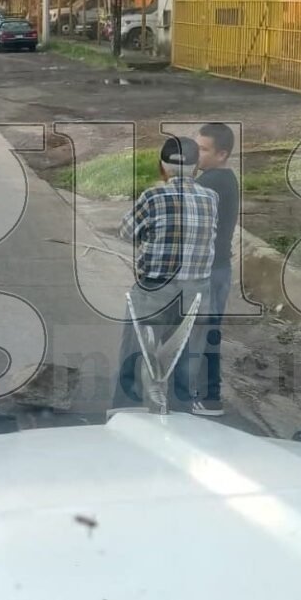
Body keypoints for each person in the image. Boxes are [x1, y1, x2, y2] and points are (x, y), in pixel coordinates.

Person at [111, 137, 219, 412]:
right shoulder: (211, 198)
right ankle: (181, 418)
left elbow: (126, 233)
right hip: (197, 294)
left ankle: (127, 413)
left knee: (135, 358)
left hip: (154, 291)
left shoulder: (152, 197)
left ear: (162, 167)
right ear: (196, 169)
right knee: (186, 363)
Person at [192, 123, 240, 417]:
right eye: (195, 146)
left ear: (222, 154)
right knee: (203, 332)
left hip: (209, 270)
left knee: (204, 333)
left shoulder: (211, 183)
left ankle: (209, 398)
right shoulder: (220, 178)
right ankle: (200, 393)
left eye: (203, 149)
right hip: (217, 268)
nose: (196, 154)